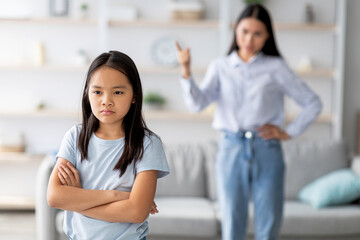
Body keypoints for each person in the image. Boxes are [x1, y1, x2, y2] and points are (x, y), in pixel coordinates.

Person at [176, 3, 322, 240]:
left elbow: (313, 103)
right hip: (230, 147)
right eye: (244, 31)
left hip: (267, 148)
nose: (249, 39)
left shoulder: (276, 67)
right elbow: (197, 104)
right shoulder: (221, 67)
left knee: (269, 219)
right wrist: (185, 70)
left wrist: (288, 132)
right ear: (236, 31)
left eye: (257, 33)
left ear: (267, 36)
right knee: (232, 220)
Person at [47, 50, 170, 240]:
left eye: (118, 92)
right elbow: (55, 197)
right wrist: (117, 196)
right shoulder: (75, 137)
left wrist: (77, 199)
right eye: (97, 92)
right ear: (87, 93)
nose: (106, 101)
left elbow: (136, 211)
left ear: (134, 96)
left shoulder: (148, 144)